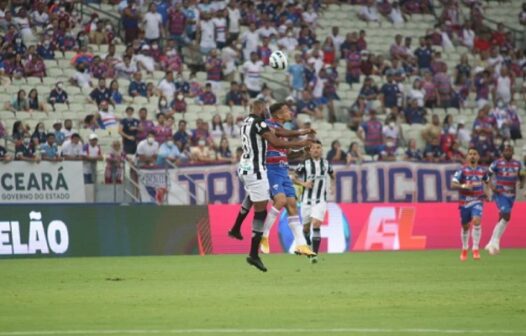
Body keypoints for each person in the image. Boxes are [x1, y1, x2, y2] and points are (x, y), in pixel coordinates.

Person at [227, 100, 314, 272]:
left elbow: (279, 135)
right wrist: (300, 143)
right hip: (257, 168)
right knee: (262, 210)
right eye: (264, 108)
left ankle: (237, 229)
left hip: (245, 167)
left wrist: (300, 134)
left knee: (257, 197)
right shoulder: (261, 123)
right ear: (260, 109)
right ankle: (256, 248)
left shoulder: (247, 121)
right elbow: (277, 141)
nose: (266, 111)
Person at [294, 140, 334, 263]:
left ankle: (314, 255)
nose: (316, 150)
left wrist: (332, 186)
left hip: (320, 200)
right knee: (306, 229)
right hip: (306, 201)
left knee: (316, 224)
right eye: (314, 148)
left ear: (321, 150)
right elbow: (294, 177)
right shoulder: (304, 164)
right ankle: (308, 243)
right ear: (310, 151)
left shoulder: (326, 164)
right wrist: (304, 183)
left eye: (318, 148)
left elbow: (332, 175)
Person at [484, 146, 524, 255]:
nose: (508, 152)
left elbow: (522, 175)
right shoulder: (497, 163)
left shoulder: (518, 164)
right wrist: (492, 187)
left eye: (510, 150)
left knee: (503, 217)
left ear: (513, 152)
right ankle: (496, 241)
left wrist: (522, 183)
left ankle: (491, 242)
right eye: (506, 150)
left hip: (511, 195)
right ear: (502, 152)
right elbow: (486, 176)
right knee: (506, 215)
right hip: (500, 194)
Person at [452, 147, 488, 261]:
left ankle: (476, 249)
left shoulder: (482, 171)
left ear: (478, 157)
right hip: (465, 202)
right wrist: (464, 186)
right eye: (470, 154)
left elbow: (487, 181)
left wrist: (486, 192)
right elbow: (453, 185)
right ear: (467, 157)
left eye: (474, 154)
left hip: (478, 199)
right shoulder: (462, 170)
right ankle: (464, 248)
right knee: (465, 226)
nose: (472, 156)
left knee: (477, 221)